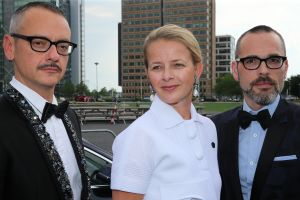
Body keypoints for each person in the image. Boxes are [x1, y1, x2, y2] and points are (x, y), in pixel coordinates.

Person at [111, 24, 221, 200]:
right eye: (157, 67)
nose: (167, 76)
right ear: (148, 73)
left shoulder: (208, 128)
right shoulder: (137, 137)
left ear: (197, 70)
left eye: (177, 65)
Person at [0, 2, 90, 200]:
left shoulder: (70, 116)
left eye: (62, 46)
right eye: (39, 42)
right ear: (9, 47)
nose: (54, 55)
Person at [212, 25, 300, 200]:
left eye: (274, 60)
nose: (264, 70)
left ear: (285, 67)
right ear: (235, 70)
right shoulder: (212, 129)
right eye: (251, 60)